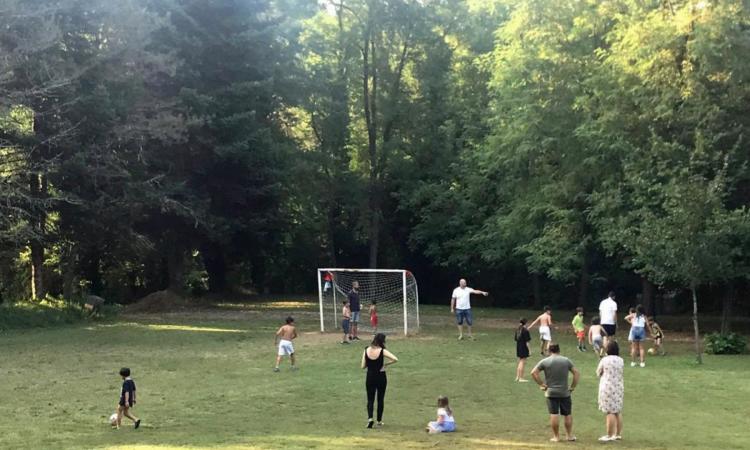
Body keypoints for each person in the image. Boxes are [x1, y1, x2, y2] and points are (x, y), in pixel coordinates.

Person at [531, 343, 580, 443]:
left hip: (551, 393)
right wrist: (572, 387)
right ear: (559, 350)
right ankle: (569, 436)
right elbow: (576, 373)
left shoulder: (545, 361)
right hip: (564, 393)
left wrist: (541, 384)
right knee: (567, 414)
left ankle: (556, 437)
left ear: (549, 351)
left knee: (554, 414)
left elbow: (533, 372)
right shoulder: (566, 360)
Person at [361, 333, 398, 428]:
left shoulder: (366, 350)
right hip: (381, 376)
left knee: (370, 399)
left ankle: (370, 419)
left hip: (370, 376)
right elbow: (395, 359)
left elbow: (363, 366)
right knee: (380, 399)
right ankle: (379, 420)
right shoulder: (382, 351)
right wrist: (385, 364)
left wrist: (370, 364)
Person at [596, 341, 624, 442]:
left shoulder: (605, 360)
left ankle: (609, 435)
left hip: (607, 387)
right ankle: (618, 434)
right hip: (618, 386)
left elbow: (598, 372)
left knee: (609, 412)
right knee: (617, 411)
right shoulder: (621, 360)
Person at [514, 318, 531, 382]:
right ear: (525, 323)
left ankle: (517, 377)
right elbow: (527, 342)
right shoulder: (525, 331)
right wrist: (529, 350)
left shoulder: (518, 330)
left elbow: (516, 339)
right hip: (524, 348)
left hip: (518, 347)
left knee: (520, 362)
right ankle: (521, 378)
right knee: (522, 362)